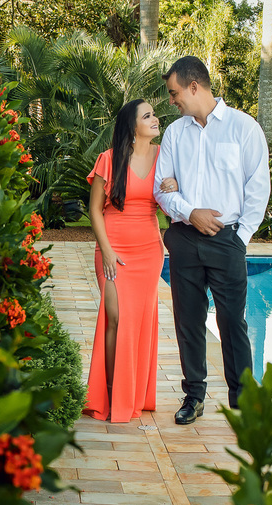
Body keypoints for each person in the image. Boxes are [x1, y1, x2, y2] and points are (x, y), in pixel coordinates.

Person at [153, 56, 269, 425]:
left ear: (194, 86)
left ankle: (244, 404)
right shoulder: (175, 134)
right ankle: (194, 397)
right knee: (189, 321)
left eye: (174, 93)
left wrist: (242, 237)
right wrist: (191, 213)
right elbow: (161, 189)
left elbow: (258, 188)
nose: (172, 102)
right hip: (185, 239)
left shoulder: (244, 128)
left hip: (227, 240)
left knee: (233, 323)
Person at [83, 99, 178, 423]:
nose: (155, 119)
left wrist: (175, 186)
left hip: (149, 251)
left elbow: (170, 204)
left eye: (154, 114)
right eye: (147, 115)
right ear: (131, 125)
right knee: (115, 317)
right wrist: (106, 249)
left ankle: (131, 394)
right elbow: (95, 209)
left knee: (136, 323)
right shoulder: (108, 160)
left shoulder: (164, 156)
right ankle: (111, 394)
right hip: (113, 248)